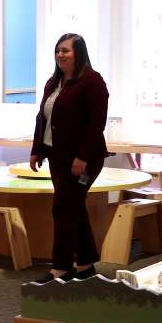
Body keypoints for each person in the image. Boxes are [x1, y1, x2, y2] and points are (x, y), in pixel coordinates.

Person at [28, 33, 110, 283]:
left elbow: (96, 124)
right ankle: (85, 265)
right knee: (73, 207)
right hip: (57, 156)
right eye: (57, 51)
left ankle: (61, 268)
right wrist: (37, 150)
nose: (60, 55)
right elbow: (42, 118)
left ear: (79, 53)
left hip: (84, 160)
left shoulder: (92, 81)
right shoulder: (54, 82)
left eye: (66, 50)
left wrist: (82, 156)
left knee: (63, 208)